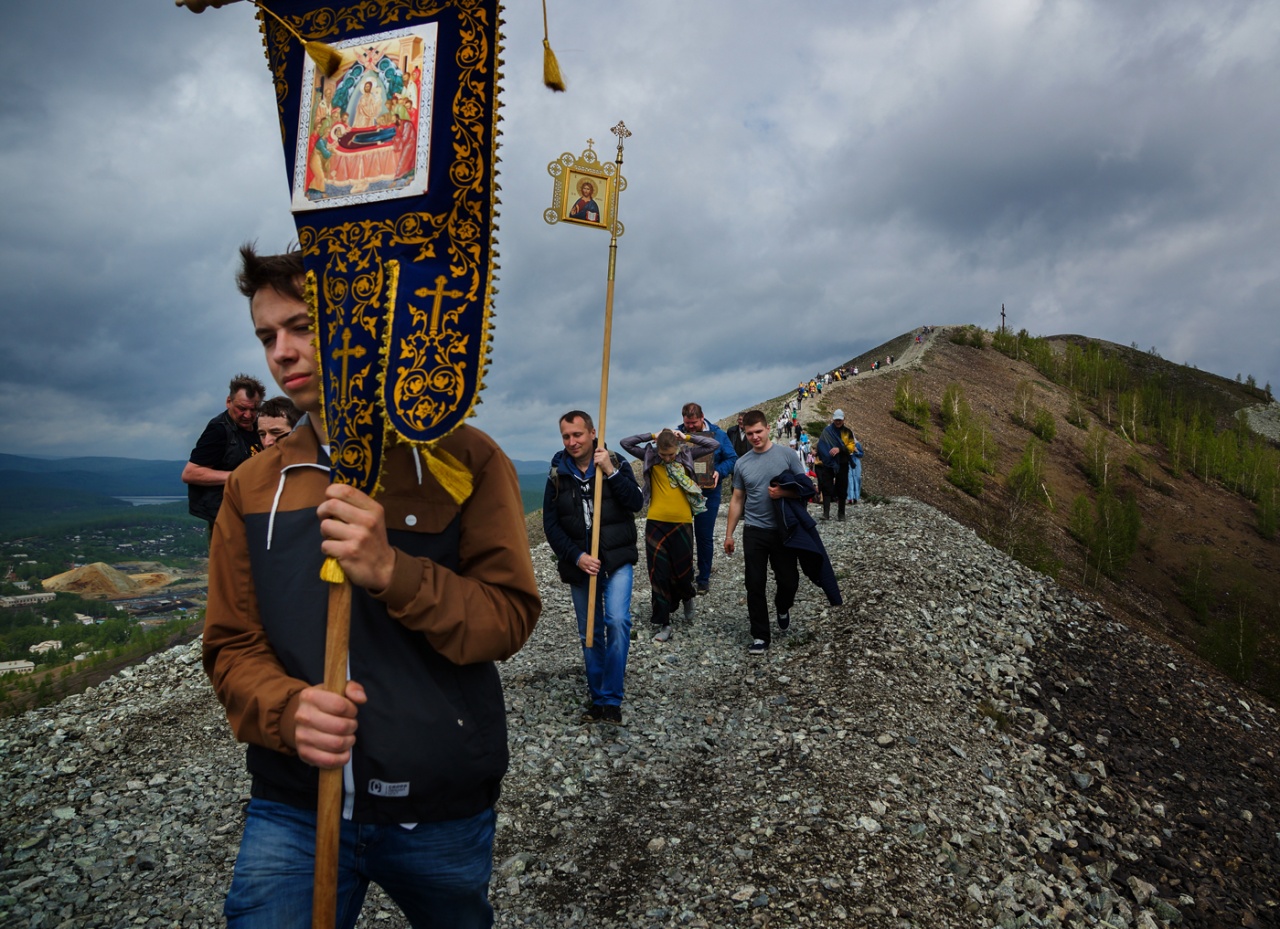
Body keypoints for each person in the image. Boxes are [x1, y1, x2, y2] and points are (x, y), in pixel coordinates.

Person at [203, 245, 540, 928]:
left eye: (303, 327)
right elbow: (231, 642)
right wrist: (286, 708)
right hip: (293, 801)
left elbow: (507, 617)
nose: (282, 352)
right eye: (268, 336)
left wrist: (394, 571)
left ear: (364, 322)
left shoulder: (466, 458)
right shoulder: (253, 485)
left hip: (439, 802)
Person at [543, 410, 643, 725]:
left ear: (592, 432)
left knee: (617, 621)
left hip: (616, 558)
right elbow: (551, 523)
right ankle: (598, 698)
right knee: (590, 632)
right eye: (566, 436)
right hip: (581, 565)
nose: (572, 442)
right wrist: (576, 556)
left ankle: (612, 698)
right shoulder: (558, 471)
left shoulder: (615, 461)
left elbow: (636, 503)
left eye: (578, 434)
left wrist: (610, 471)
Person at [724, 410, 809, 656]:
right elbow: (737, 499)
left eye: (758, 431)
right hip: (754, 530)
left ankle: (783, 607)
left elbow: (805, 488)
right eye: (750, 433)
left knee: (789, 581)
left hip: (783, 530)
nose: (754, 437)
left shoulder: (787, 455)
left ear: (768, 428)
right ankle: (760, 635)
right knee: (754, 583)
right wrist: (729, 535)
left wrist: (784, 493)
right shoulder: (742, 463)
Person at [620, 428, 718, 642]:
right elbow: (626, 443)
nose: (667, 458)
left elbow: (713, 445)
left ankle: (687, 596)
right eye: (663, 455)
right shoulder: (650, 455)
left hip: (682, 522)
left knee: (683, 571)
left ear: (677, 448)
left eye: (671, 454)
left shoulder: (686, 454)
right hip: (656, 522)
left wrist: (687, 438)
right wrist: (652, 436)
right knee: (658, 574)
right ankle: (664, 622)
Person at [182, 374, 265, 539]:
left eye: (254, 409)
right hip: (225, 516)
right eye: (242, 408)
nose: (248, 415)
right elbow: (190, 473)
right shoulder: (218, 430)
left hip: (254, 511)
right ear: (229, 401)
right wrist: (238, 476)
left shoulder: (260, 426)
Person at [675, 402, 737, 595]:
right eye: (687, 424)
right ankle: (686, 574)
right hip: (683, 493)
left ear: (702, 417)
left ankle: (703, 578)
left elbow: (732, 458)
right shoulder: (677, 434)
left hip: (709, 492)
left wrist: (720, 471)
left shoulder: (718, 434)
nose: (690, 427)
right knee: (683, 535)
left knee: (704, 536)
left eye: (693, 423)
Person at [816, 409, 855, 521]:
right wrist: (825, 456)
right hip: (828, 464)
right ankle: (826, 513)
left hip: (842, 463)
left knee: (842, 487)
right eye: (836, 419)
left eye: (840, 420)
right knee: (826, 486)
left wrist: (840, 449)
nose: (838, 422)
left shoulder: (847, 432)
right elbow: (821, 445)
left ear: (843, 420)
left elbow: (851, 447)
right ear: (833, 419)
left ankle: (841, 514)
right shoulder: (826, 432)